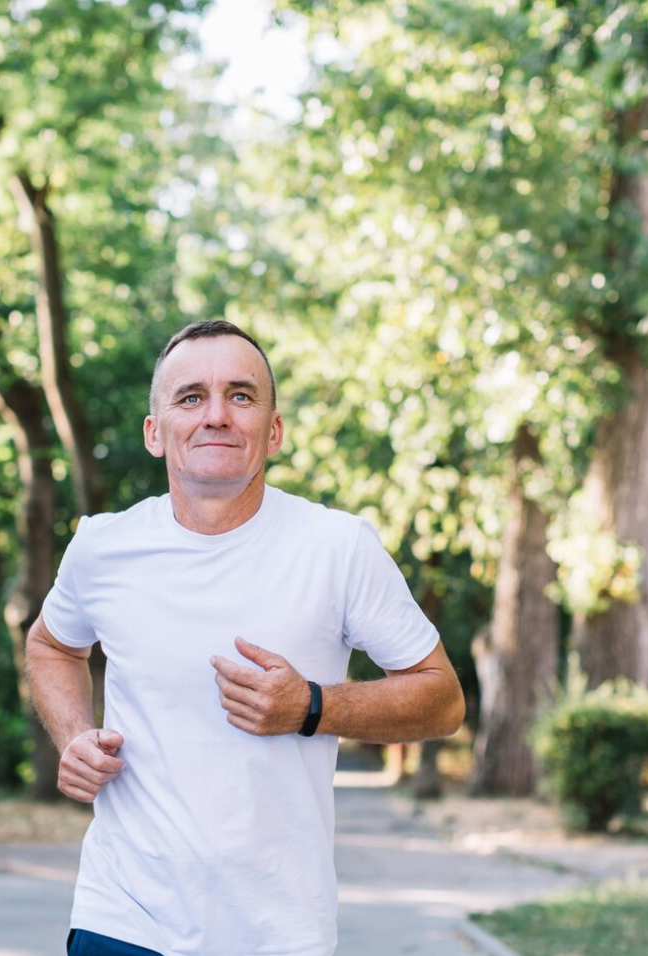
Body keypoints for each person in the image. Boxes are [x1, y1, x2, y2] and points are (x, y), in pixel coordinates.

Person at [25, 320, 465, 956]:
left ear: (275, 429)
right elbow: (52, 645)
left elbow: (443, 699)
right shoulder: (102, 545)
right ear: (155, 432)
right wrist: (73, 737)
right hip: (124, 917)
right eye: (190, 397)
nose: (216, 416)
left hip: (279, 932)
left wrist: (311, 706)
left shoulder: (338, 548)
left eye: (240, 396)